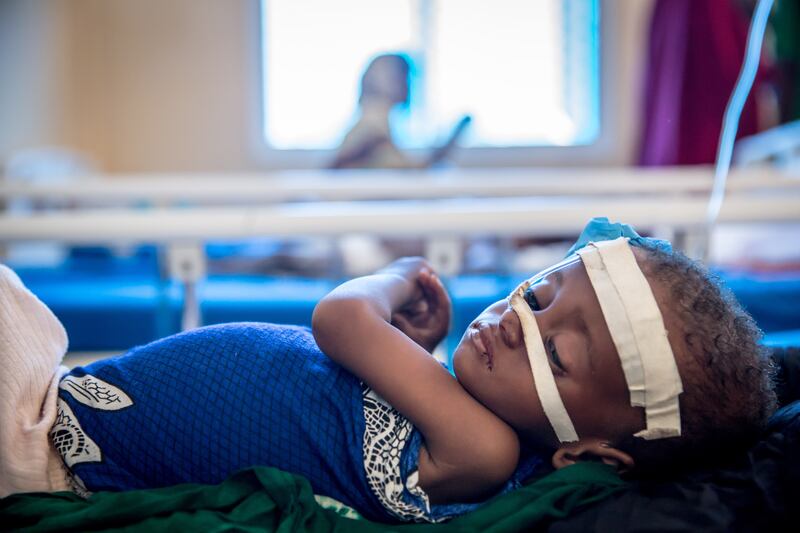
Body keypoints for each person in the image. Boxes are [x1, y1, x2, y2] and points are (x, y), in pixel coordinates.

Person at [0, 219, 776, 523]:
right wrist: (418, 348)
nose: (519, 319)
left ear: (585, 451)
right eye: (540, 295)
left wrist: (395, 277)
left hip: (50, 444)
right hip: (59, 400)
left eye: (559, 354)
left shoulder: (486, 450)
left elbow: (339, 319)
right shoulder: (459, 415)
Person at [329, 53, 471, 170]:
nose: (408, 84)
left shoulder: (380, 127)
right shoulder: (371, 130)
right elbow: (411, 174)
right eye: (402, 76)